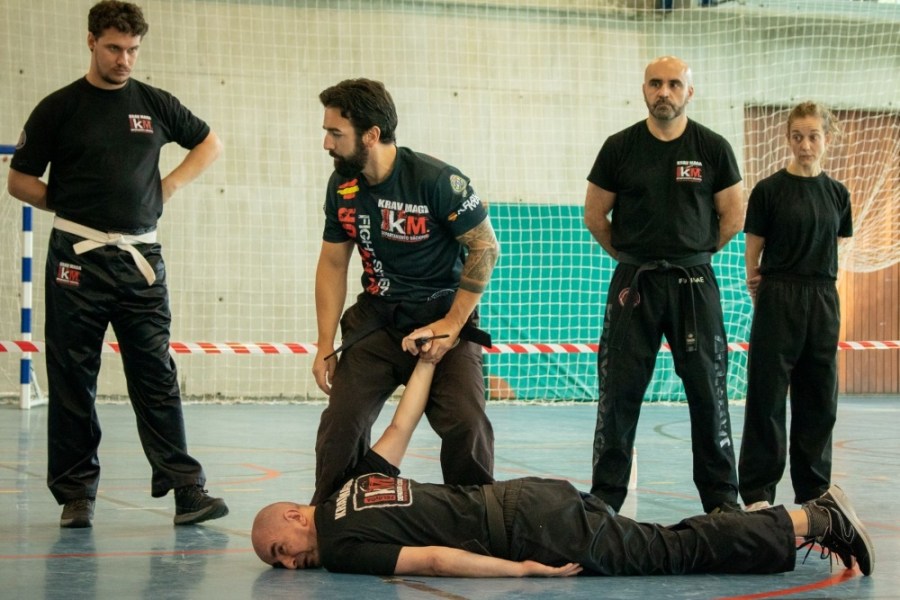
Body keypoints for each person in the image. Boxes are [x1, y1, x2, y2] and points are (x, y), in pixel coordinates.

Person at [251, 332, 875, 578]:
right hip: (530, 498)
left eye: (279, 547)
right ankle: (806, 519)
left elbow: (438, 559)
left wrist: (523, 571)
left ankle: (814, 519)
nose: (286, 564)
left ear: (297, 515)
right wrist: (426, 362)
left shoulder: (338, 546)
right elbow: (405, 421)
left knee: (673, 548)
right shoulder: (349, 488)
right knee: (664, 540)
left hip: (533, 528)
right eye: (277, 561)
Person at [7, 0, 227, 528]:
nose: (124, 59)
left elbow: (209, 143)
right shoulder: (58, 108)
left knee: (156, 373)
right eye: (113, 48)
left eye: (132, 49)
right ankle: (76, 495)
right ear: (90, 42)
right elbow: (19, 180)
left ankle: (185, 489)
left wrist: (168, 186)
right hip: (75, 261)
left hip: (140, 260)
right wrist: (70, 203)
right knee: (72, 376)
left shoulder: (153, 103)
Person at [310, 78, 500, 504]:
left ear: (371, 135)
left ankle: (476, 518)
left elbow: (485, 248)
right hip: (378, 319)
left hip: (443, 317)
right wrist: (325, 344)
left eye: (336, 133)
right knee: (342, 423)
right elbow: (333, 262)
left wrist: (452, 325)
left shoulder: (437, 180)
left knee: (466, 423)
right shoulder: (340, 187)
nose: (326, 142)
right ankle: (327, 518)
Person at [583, 56, 744, 514]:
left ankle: (722, 505)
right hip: (634, 284)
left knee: (708, 394)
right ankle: (605, 503)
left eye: (674, 84)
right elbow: (595, 216)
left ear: (689, 92)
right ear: (643, 89)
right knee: (618, 394)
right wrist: (630, 259)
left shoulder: (712, 147)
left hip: (695, 284)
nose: (664, 92)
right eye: (656, 83)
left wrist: (696, 253)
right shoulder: (620, 147)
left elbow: (734, 215)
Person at [738, 102, 853, 511]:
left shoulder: (838, 194)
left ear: (827, 139)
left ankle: (814, 493)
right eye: (798, 137)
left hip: (822, 298)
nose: (806, 145)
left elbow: (832, 245)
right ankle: (757, 495)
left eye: (814, 136)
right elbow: (754, 247)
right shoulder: (768, 190)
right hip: (778, 295)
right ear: (788, 139)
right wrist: (757, 279)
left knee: (819, 398)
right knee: (767, 397)